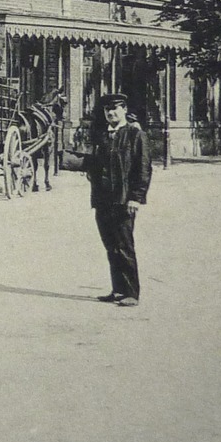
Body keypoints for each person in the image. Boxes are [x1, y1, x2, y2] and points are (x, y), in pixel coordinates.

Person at [84, 93, 152, 307]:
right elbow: (95, 164)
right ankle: (118, 290)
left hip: (123, 199)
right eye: (107, 110)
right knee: (110, 245)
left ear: (124, 110)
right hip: (103, 199)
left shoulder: (135, 135)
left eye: (115, 109)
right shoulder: (102, 135)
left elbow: (143, 169)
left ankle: (132, 292)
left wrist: (136, 198)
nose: (111, 113)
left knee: (124, 245)